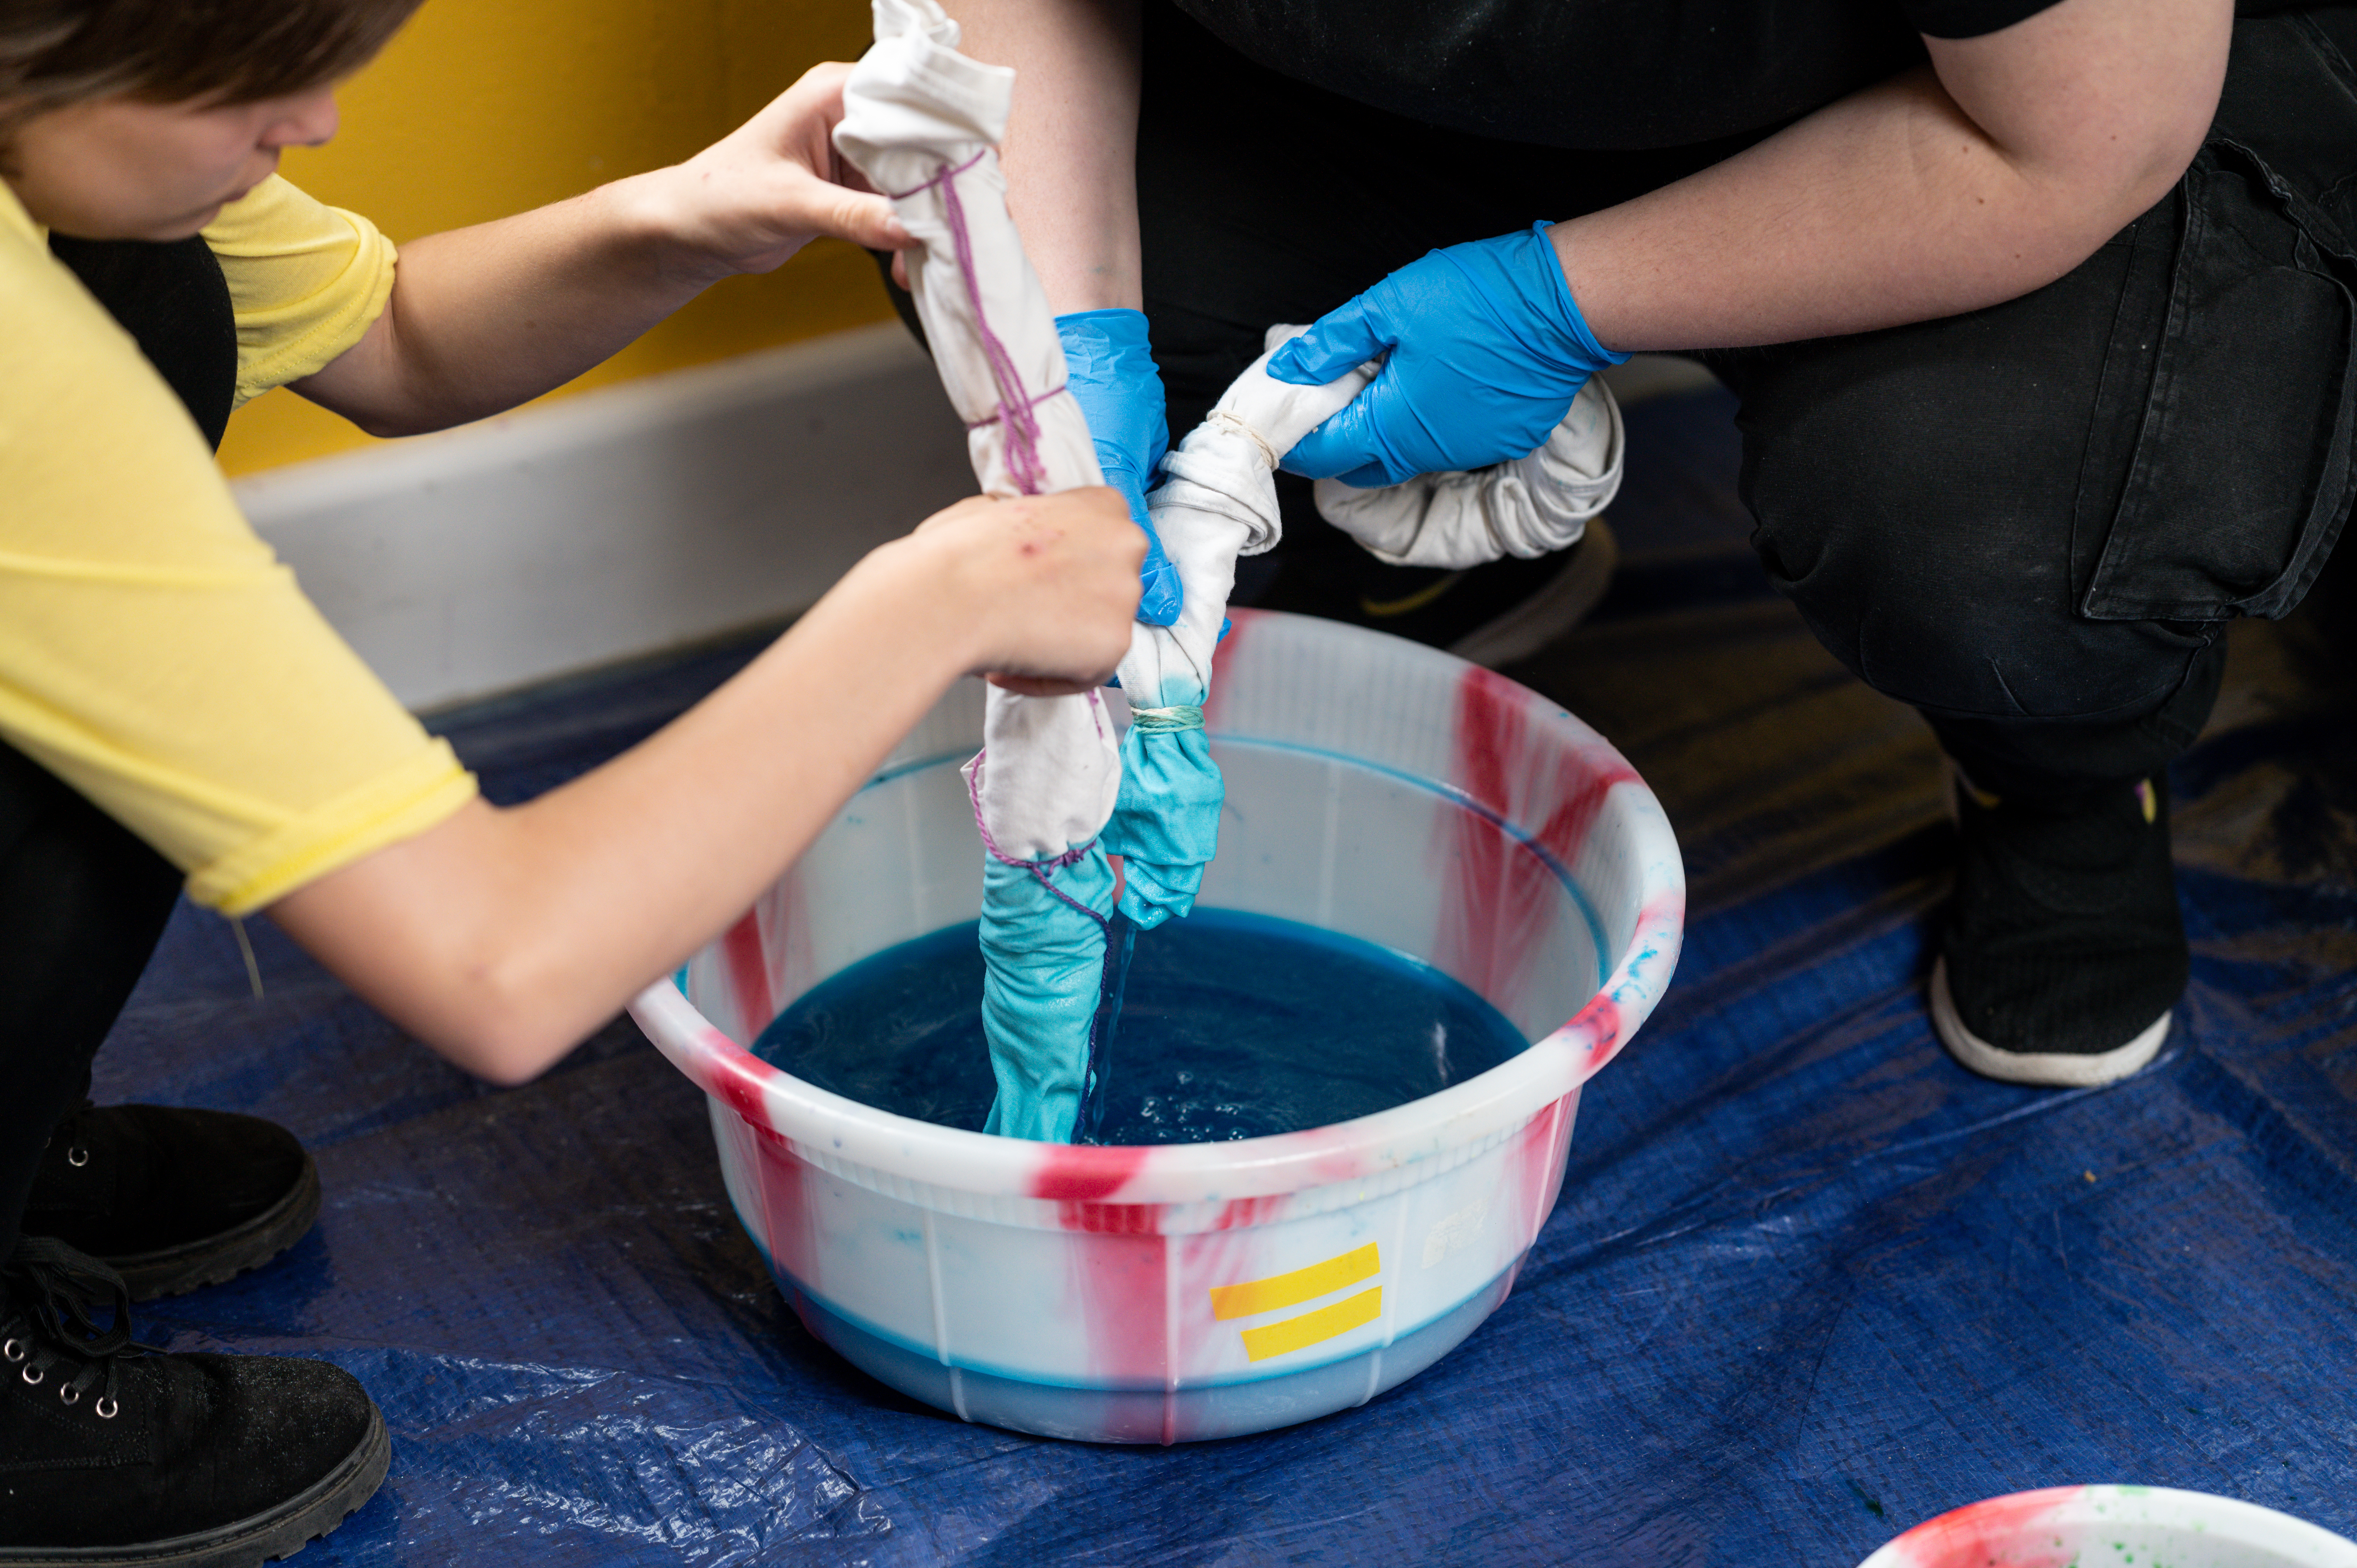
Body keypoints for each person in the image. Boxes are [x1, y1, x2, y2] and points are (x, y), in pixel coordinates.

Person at [0, 0, 1141, 1558]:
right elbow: (503, 960)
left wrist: (687, 216)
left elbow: (391, 335)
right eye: (263, 75)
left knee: (160, 297)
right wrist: (944, 596)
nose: (322, 121)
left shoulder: (59, 134)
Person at [942, 0, 2356, 1090]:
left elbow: (2077, 137)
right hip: (1393, 90)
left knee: (1996, 544)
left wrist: (1552, 302)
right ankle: (1413, 564)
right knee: (991, 242)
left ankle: (2056, 777)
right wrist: (1066, 355)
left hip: (1975, 116)